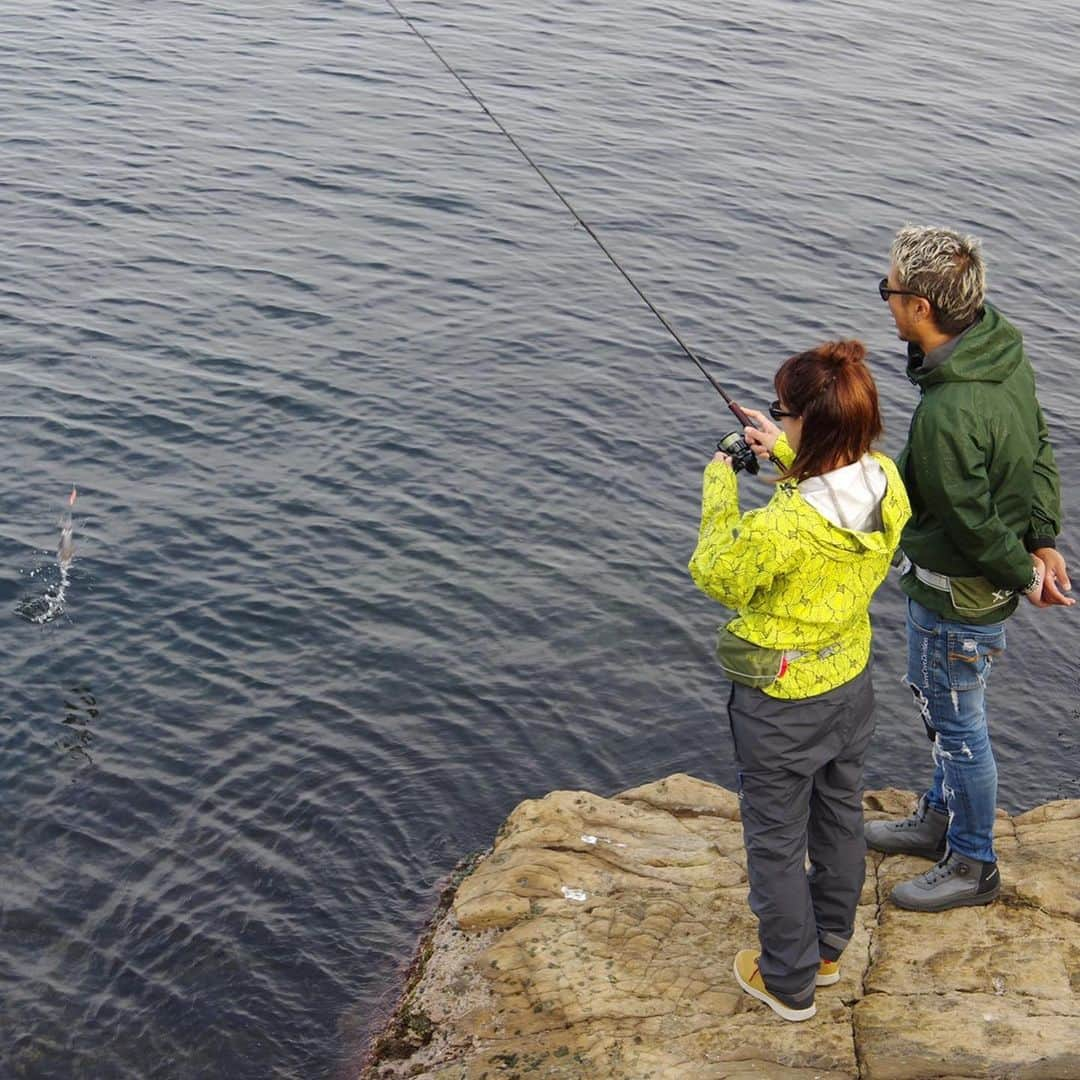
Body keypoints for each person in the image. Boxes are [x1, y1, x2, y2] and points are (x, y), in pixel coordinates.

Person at [688, 340, 910, 1022]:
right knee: (839, 812)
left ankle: (787, 980)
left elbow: (716, 572)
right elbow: (833, 498)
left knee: (776, 839)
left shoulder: (784, 525)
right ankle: (828, 950)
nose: (778, 422)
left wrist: (722, 476)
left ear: (813, 423)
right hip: (850, 686)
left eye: (784, 414)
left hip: (781, 704)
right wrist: (787, 454)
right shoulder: (884, 479)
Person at [866, 225, 1072, 912]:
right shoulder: (1000, 350)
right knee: (949, 711)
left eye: (889, 291)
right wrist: (1043, 539)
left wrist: (1022, 570)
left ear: (921, 308)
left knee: (958, 722)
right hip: (982, 587)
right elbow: (1038, 444)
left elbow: (969, 520)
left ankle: (973, 861)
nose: (886, 302)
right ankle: (937, 817)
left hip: (955, 600)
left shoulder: (946, 414)